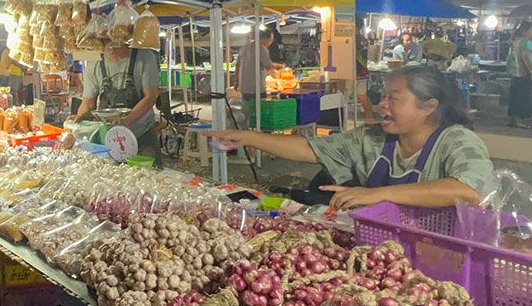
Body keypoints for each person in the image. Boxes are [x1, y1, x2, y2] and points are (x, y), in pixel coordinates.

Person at [209, 66, 494, 210]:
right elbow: (309, 148)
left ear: (429, 106)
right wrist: (247, 137)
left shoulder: (457, 141)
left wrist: (378, 194)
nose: (382, 105)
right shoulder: (372, 138)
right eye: (382, 97)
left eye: (393, 99)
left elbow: (469, 191)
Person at [70, 42, 163, 166]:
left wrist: (127, 120)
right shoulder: (95, 63)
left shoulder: (144, 57)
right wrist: (79, 120)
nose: (110, 46)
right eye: (105, 41)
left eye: (114, 41)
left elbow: (150, 96)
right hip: (109, 138)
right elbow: (88, 103)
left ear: (125, 39)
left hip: (141, 133)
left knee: (152, 176)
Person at [234, 28, 282, 103]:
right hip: (256, 88)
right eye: (271, 40)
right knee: (258, 111)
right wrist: (280, 67)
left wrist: (237, 81)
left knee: (247, 109)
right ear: (265, 38)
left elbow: (237, 67)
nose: (271, 42)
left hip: (244, 87)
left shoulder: (243, 48)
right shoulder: (261, 49)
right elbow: (268, 66)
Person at [506, 21, 532, 128]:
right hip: (523, 74)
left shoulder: (516, 41)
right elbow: (527, 59)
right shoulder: (525, 43)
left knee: (514, 97)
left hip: (514, 74)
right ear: (526, 30)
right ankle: (521, 120)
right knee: (523, 97)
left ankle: (513, 119)